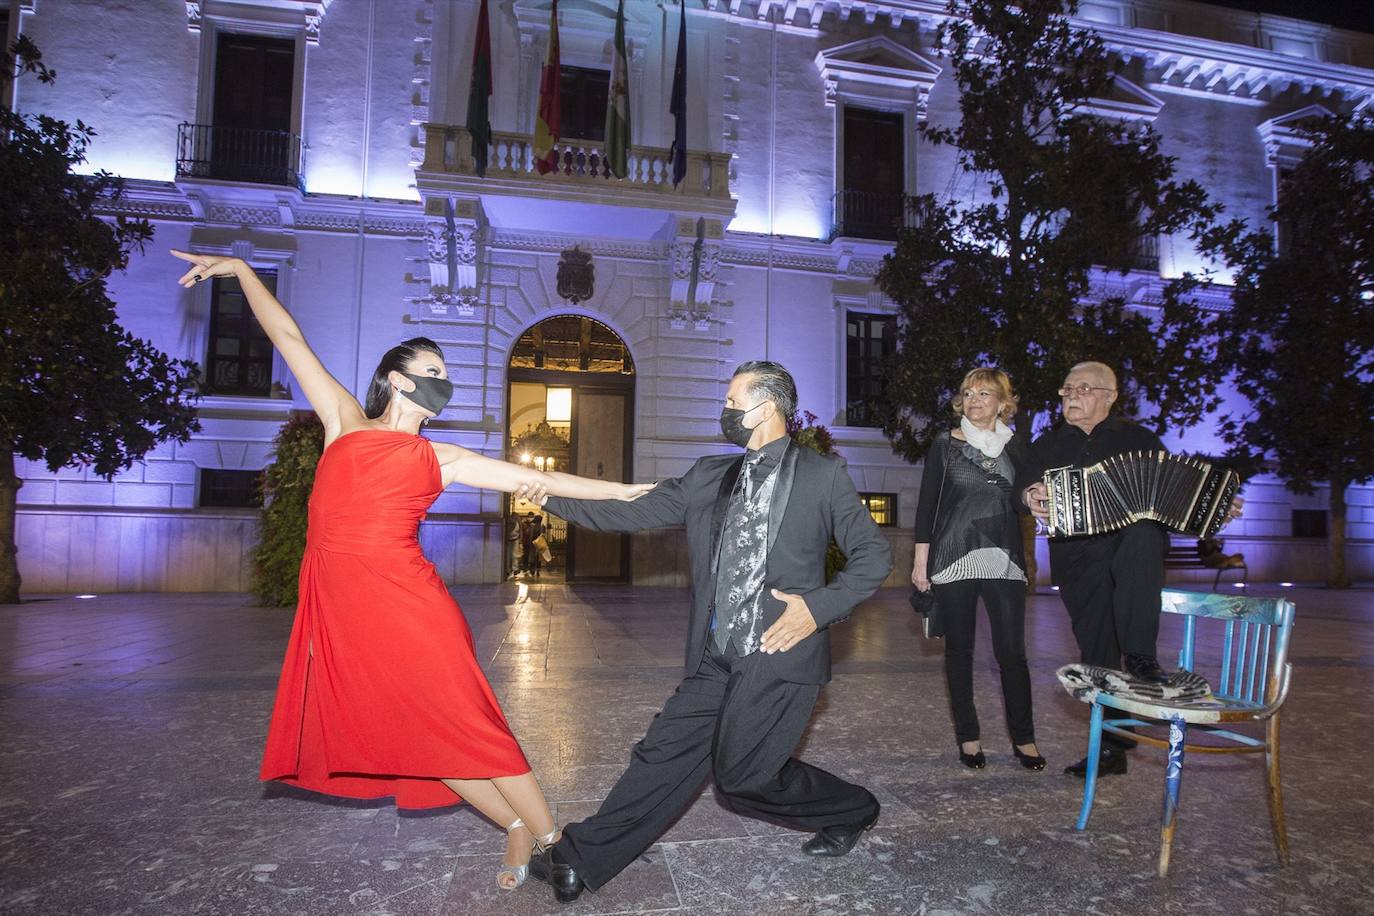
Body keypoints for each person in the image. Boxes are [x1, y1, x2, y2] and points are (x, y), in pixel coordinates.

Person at [170, 250, 651, 890]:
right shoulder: (344, 422)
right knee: (415, 733)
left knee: (466, 724)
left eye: (445, 375)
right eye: (433, 372)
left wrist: (622, 493)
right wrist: (241, 269)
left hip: (412, 608)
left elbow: (533, 479)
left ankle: (553, 842)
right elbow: (289, 338)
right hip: (349, 615)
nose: (442, 383)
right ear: (397, 380)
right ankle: (513, 827)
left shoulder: (442, 457)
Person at [527, 361, 892, 904]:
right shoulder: (710, 475)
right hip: (715, 654)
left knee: (743, 779)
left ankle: (853, 808)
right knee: (664, 753)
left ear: (766, 408)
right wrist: (548, 496)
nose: (724, 411)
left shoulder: (823, 474)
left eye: (732, 402)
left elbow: (873, 556)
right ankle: (581, 859)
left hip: (778, 652)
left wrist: (817, 610)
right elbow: (632, 512)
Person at [1018, 360, 1240, 777]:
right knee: (1098, 656)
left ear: (1109, 396)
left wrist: (1214, 509)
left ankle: (1140, 656)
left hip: (1131, 556)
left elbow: (1174, 499)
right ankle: (1112, 750)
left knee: (1143, 530)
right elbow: (1022, 487)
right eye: (1067, 390)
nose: (1071, 396)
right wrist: (1030, 495)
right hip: (1077, 559)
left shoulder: (1140, 440)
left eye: (1082, 389)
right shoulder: (1047, 444)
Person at [912, 368, 1044, 772]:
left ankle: (1025, 739)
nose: (974, 400)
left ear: (1003, 403)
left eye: (984, 393)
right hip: (953, 557)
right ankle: (968, 738)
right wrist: (920, 563)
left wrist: (1037, 498)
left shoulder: (1016, 447)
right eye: (968, 393)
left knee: (1012, 654)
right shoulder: (945, 443)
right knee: (960, 651)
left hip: (1004, 558)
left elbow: (1025, 500)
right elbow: (927, 505)